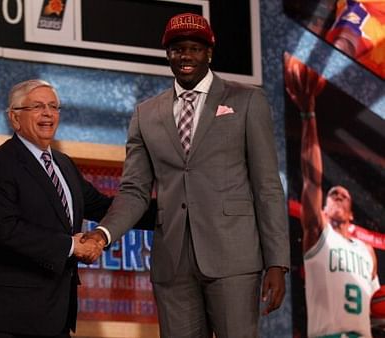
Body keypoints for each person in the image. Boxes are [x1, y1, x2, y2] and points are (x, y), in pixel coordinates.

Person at [83, 13, 290, 338]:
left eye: (195, 48)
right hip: (173, 262)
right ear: (168, 54)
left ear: (209, 53)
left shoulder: (247, 100)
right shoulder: (146, 114)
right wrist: (104, 233)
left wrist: (277, 262)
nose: (186, 56)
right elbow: (135, 191)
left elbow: (267, 187)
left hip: (234, 258)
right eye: (178, 49)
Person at [0, 79, 112, 338]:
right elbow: (5, 230)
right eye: (37, 106)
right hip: (5, 316)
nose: (48, 113)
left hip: (54, 314)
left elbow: (102, 206)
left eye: (53, 106)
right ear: (15, 118)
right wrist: (71, 246)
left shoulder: (64, 165)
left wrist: (167, 206)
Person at [284, 53, 380, 338]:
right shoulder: (318, 235)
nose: (338, 193)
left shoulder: (368, 252)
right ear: (322, 210)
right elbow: (312, 179)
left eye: (345, 196)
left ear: (351, 214)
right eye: (333, 194)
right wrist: (307, 114)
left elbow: (375, 307)